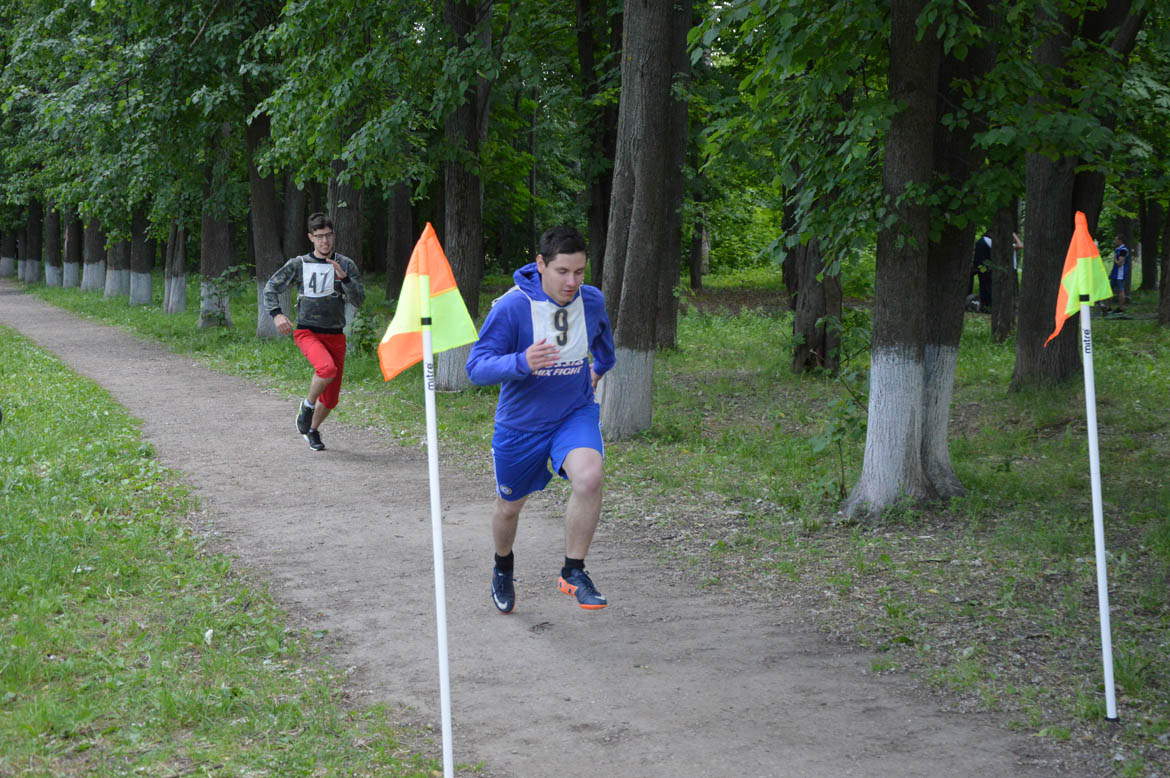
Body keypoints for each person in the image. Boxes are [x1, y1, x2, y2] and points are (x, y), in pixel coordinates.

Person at [465, 226, 615, 613]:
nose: (572, 282)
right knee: (509, 508)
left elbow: (604, 348)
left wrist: (599, 369)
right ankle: (502, 566)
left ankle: (573, 571)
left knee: (590, 476)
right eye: (563, 271)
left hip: (573, 413)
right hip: (521, 424)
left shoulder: (592, 301)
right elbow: (476, 367)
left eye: (580, 272)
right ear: (541, 264)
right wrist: (520, 362)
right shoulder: (512, 306)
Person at [262, 212, 365, 451]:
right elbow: (270, 288)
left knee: (331, 399)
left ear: (334, 236)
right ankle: (307, 406)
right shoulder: (299, 264)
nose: (325, 241)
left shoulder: (346, 264)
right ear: (311, 237)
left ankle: (311, 430)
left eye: (329, 235)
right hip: (308, 332)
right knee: (326, 369)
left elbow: (359, 301)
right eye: (319, 237)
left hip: (336, 334)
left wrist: (345, 278)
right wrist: (277, 314)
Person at [1109, 234, 1130, 313]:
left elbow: (1119, 263)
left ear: (1120, 241)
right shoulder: (1118, 249)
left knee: (1120, 291)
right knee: (1110, 290)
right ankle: (1108, 308)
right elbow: (1115, 265)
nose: (1114, 241)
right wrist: (1111, 272)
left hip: (1120, 274)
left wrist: (1114, 258)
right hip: (1115, 273)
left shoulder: (1123, 250)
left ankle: (1121, 308)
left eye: (1116, 240)